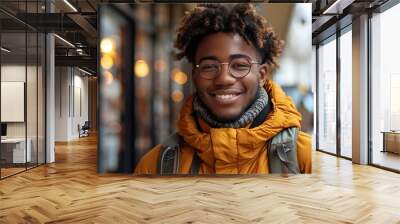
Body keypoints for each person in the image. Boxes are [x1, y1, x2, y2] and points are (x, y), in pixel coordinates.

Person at [134, 3, 312, 175]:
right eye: (209, 66)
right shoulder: (155, 166)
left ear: (262, 74)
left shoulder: (305, 158)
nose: (224, 78)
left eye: (240, 65)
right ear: (195, 75)